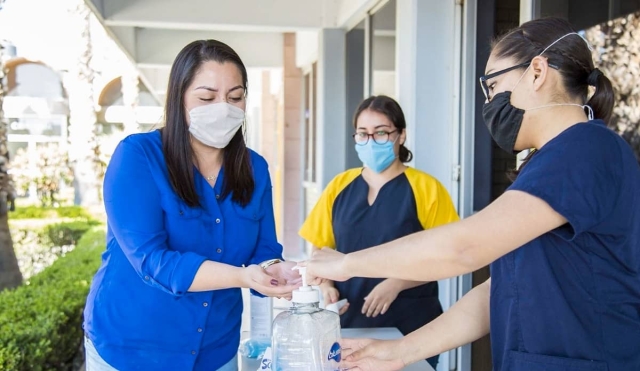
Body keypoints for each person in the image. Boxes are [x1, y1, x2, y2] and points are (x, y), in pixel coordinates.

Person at [304, 17, 640, 371]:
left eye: (493, 86)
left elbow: (463, 248)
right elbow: (502, 290)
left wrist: (346, 264)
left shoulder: (583, 150)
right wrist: (398, 351)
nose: (490, 103)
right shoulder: (549, 161)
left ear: (537, 72)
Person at [82, 39, 300, 371]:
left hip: (216, 348)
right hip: (132, 347)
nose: (223, 108)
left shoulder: (254, 169)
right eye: (207, 97)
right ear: (179, 99)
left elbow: (263, 249)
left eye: (235, 97)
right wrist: (244, 277)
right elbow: (153, 262)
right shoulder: (138, 157)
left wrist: (274, 270)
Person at [299, 95, 459, 369]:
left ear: (401, 136)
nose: (371, 141)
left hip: (411, 324)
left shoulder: (426, 189)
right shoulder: (340, 186)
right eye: (363, 134)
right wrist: (325, 285)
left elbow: (449, 255)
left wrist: (396, 283)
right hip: (349, 323)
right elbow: (320, 250)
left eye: (381, 133)